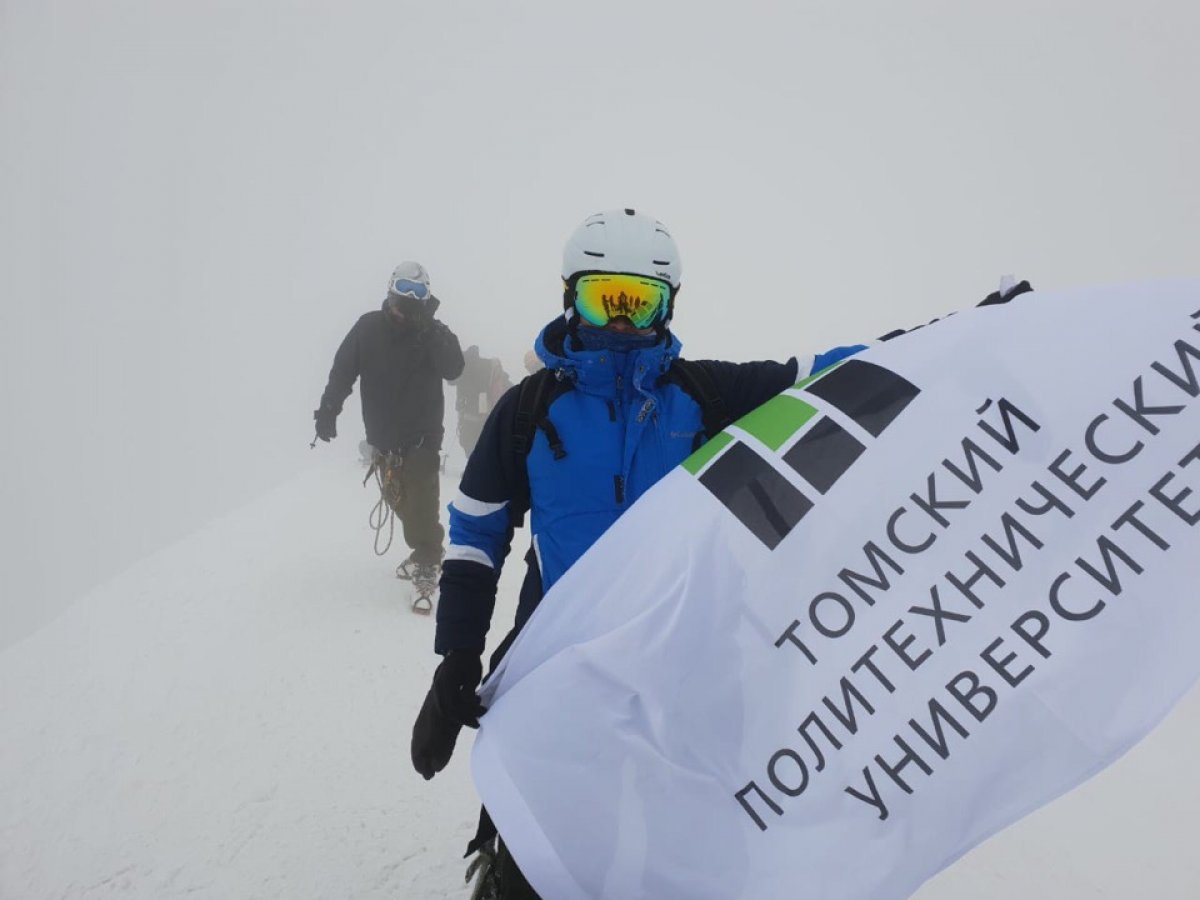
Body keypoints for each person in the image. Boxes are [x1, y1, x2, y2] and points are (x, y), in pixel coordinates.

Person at [409, 210, 1029, 897]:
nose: (619, 322)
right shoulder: (528, 410)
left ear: (668, 303)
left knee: (693, 839)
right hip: (560, 661)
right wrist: (459, 654)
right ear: (569, 296)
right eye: (602, 298)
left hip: (685, 663)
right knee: (540, 835)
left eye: (637, 301)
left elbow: (836, 376)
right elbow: (475, 534)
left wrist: (965, 333)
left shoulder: (705, 397)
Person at [313, 261, 465, 595]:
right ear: (391, 290)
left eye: (419, 292)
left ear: (427, 297)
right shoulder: (367, 328)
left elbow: (454, 369)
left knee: (422, 499)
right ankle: (422, 547)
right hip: (383, 439)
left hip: (423, 435)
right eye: (405, 290)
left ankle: (428, 554)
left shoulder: (433, 333)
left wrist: (432, 331)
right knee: (398, 499)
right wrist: (329, 408)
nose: (410, 299)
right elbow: (343, 370)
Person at [450, 346, 513, 460]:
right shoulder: (487, 366)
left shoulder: (464, 366)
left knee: (470, 443)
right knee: (483, 443)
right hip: (487, 413)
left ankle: (476, 468)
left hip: (470, 415)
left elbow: (451, 380)